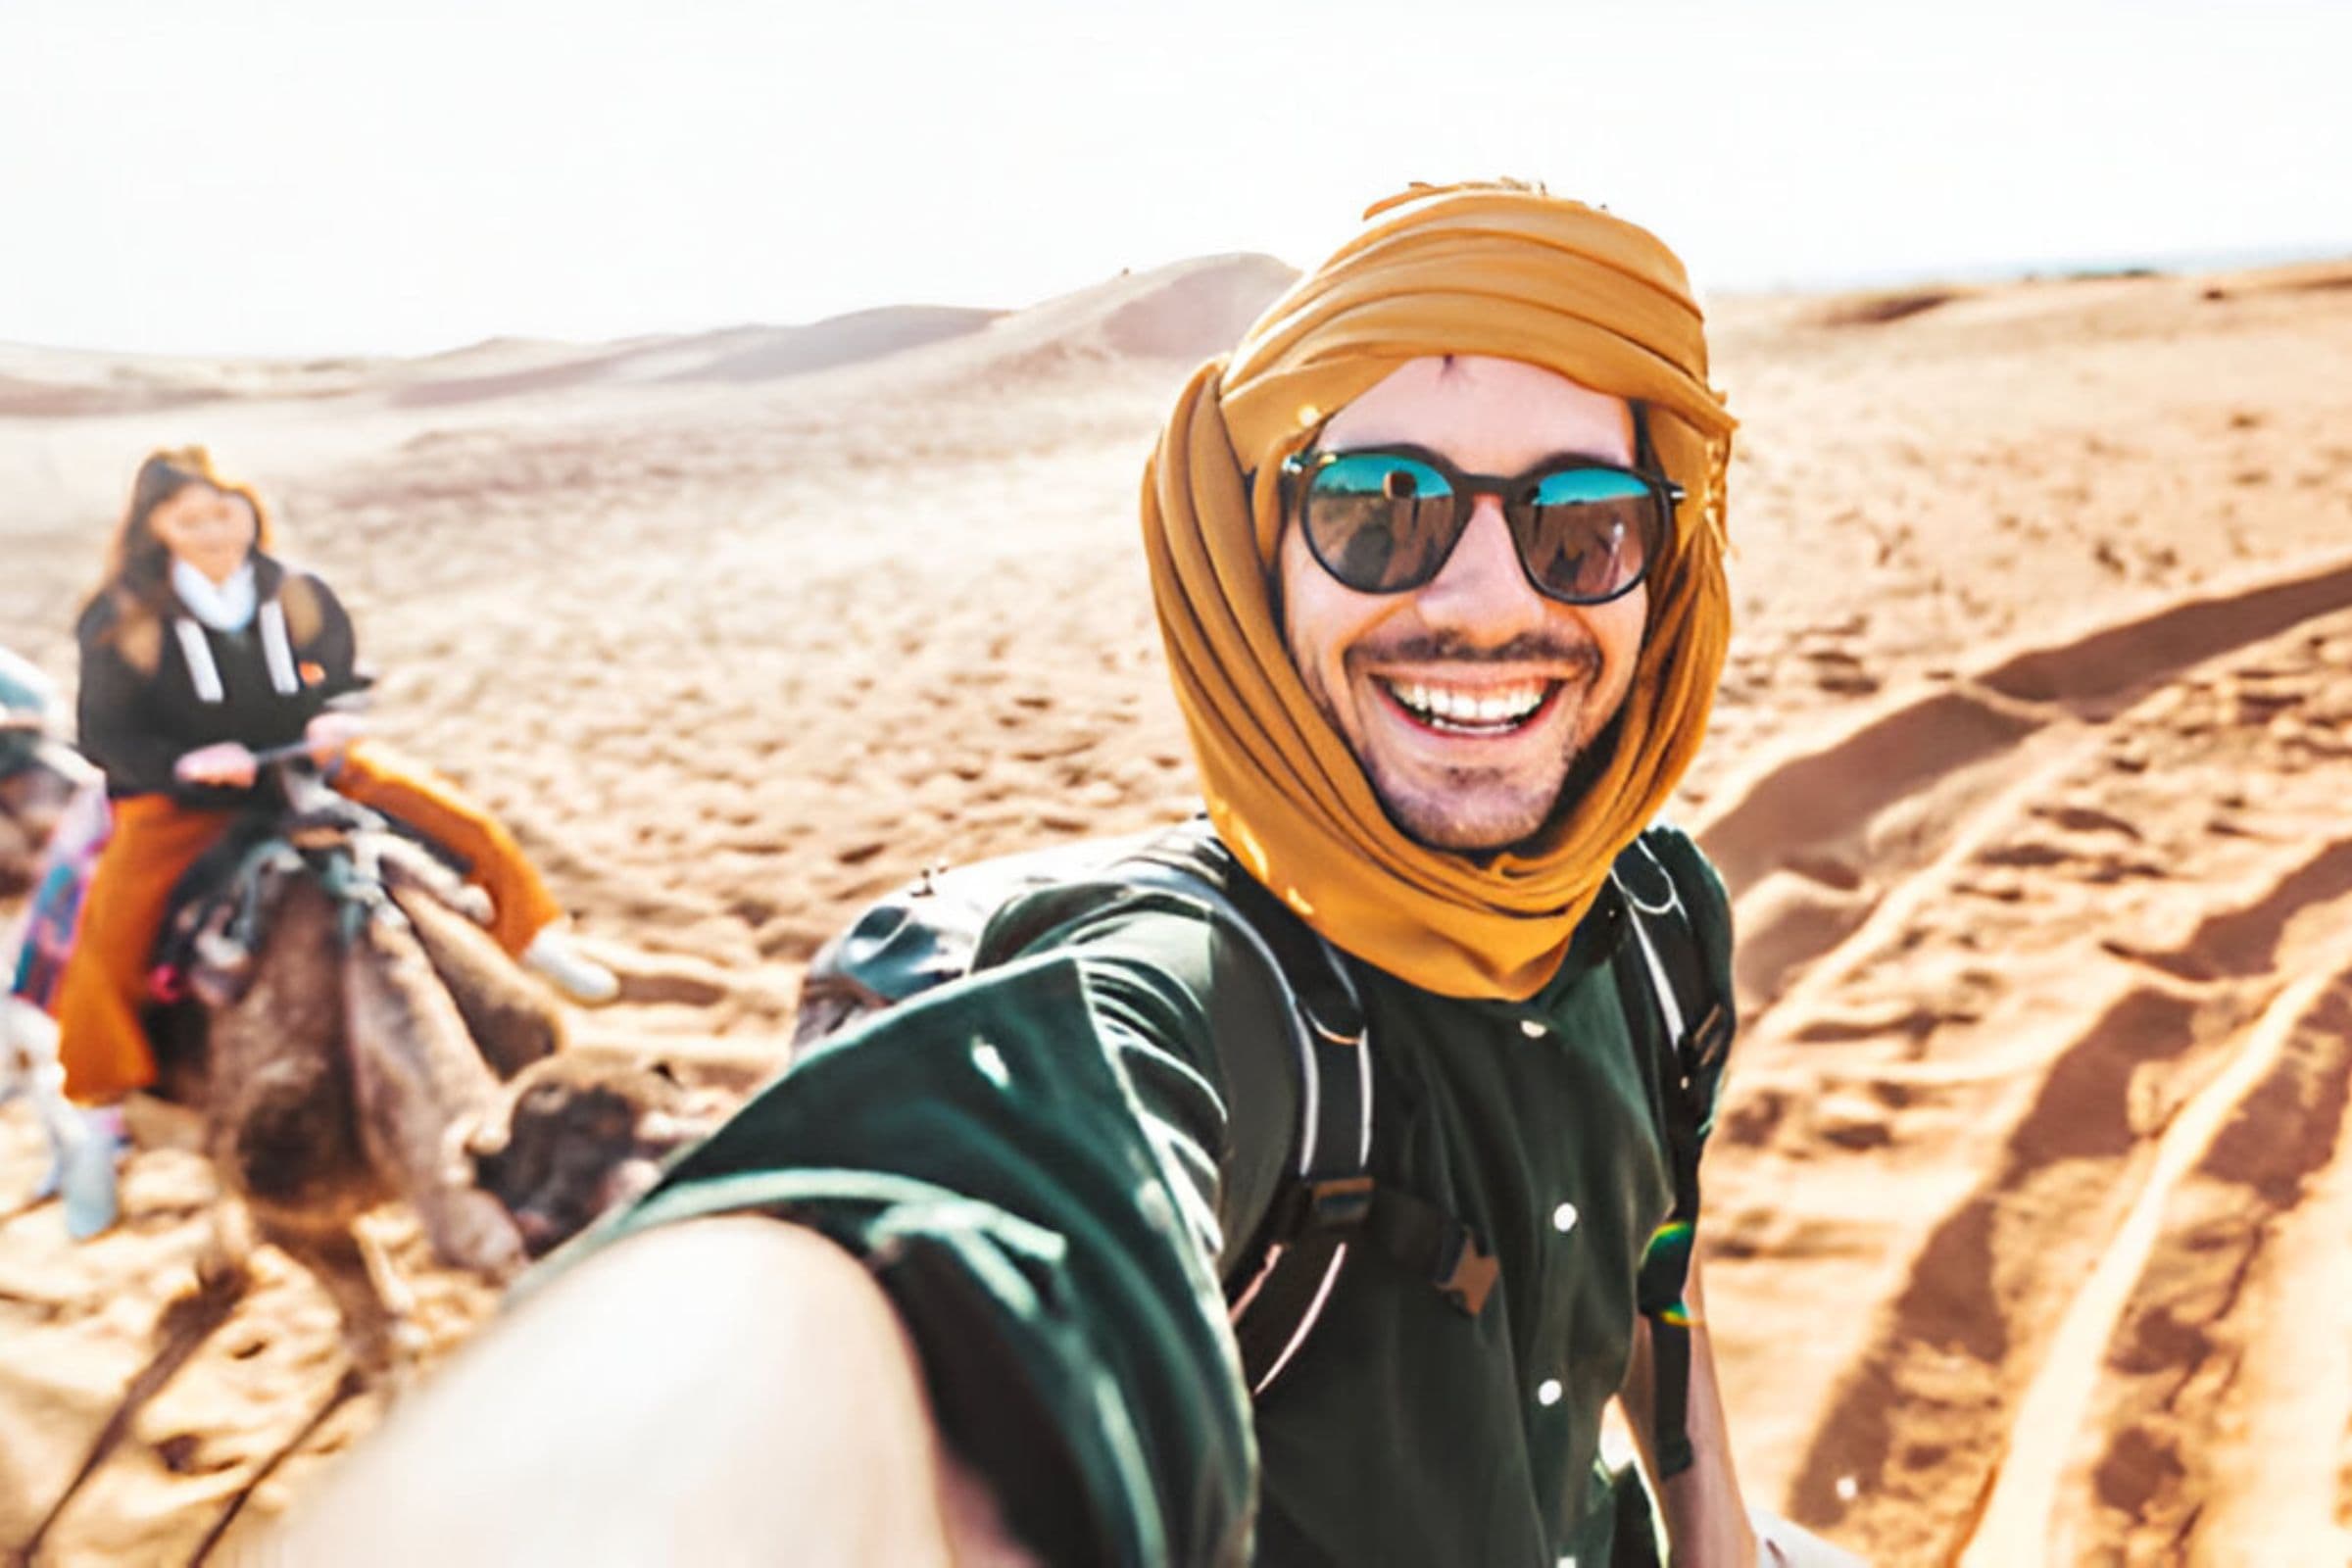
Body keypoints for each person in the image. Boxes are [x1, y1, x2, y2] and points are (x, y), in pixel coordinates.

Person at [272, 185, 1853, 1566]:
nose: (1488, 601)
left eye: (1581, 528)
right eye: (1385, 514)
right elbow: (930, 1244)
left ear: (1671, 567)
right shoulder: (1210, 991)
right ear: (1260, 552)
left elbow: (1656, 1267)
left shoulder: (1660, 921)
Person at [46, 446, 618, 1240]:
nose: (213, 529)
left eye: (225, 510)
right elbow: (106, 733)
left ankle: (535, 938)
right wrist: (185, 763)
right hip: (189, 802)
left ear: (249, 508)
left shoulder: (295, 591)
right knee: (109, 932)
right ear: (157, 529)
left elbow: (344, 669)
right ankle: (100, 1120)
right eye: (191, 517)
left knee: (462, 823)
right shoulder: (121, 617)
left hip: (310, 770)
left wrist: (334, 714)